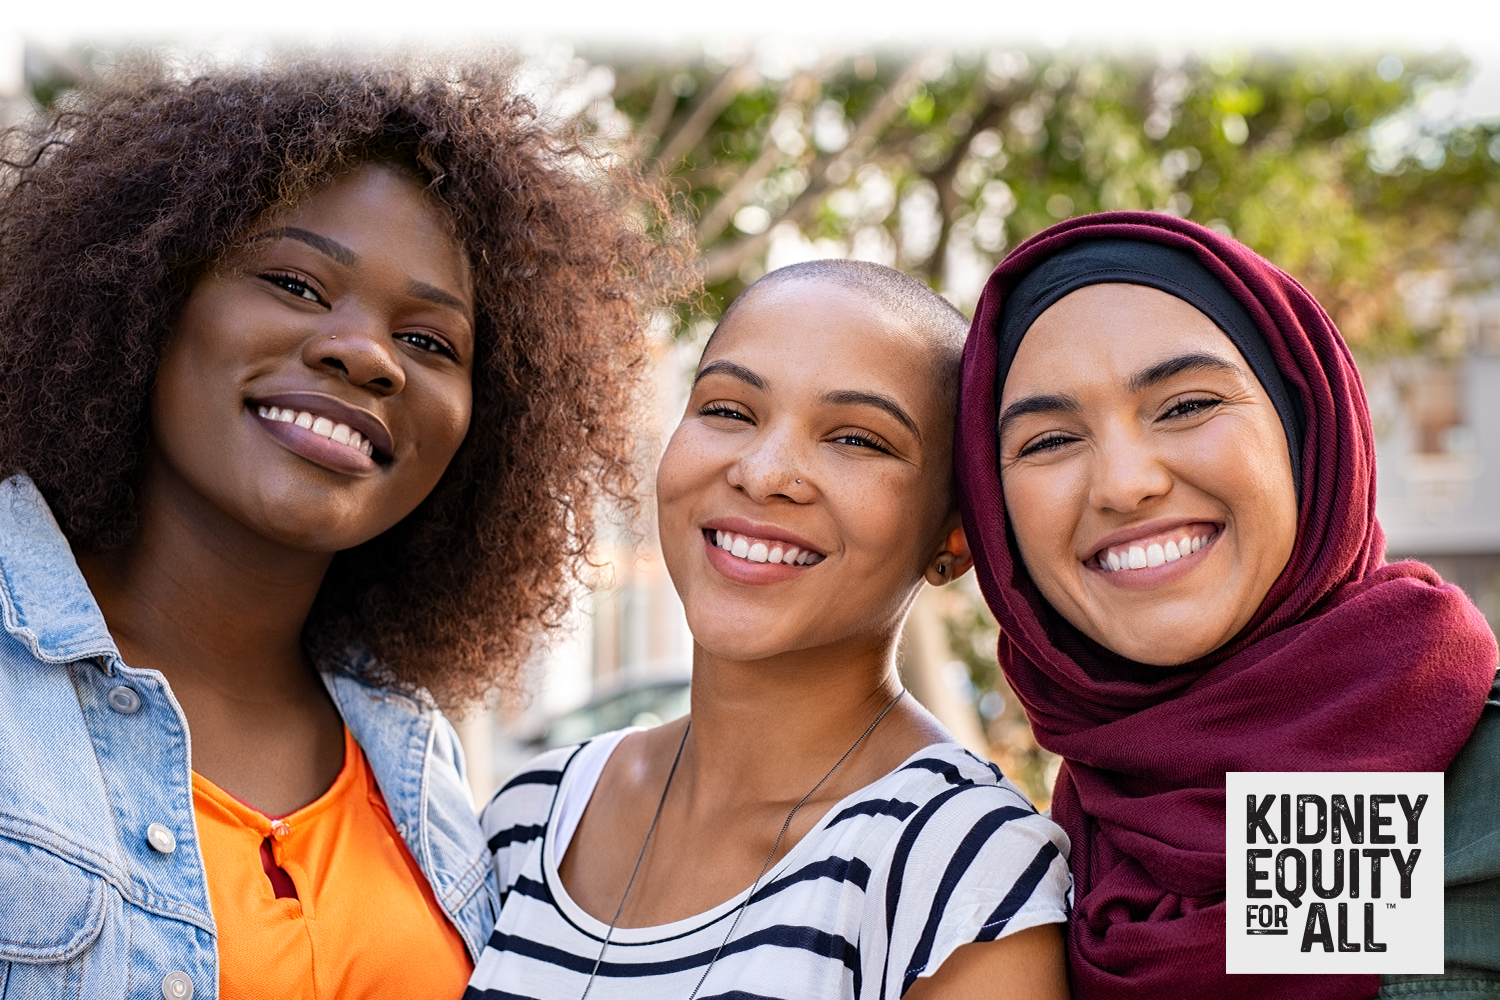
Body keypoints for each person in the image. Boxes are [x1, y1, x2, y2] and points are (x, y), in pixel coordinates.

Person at [0, 57, 684, 999]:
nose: (365, 354)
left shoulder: (410, 752)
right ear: (150, 292)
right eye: (295, 282)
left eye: (428, 342)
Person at [465, 260, 1072, 1000]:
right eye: (728, 410)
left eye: (856, 439)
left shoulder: (962, 867)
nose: (764, 471)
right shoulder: (532, 815)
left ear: (956, 538)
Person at [953, 211, 1499, 1000]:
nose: (1124, 483)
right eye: (1048, 442)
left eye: (1185, 405)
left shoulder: (1471, 782)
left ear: (1305, 427)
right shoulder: (1028, 861)